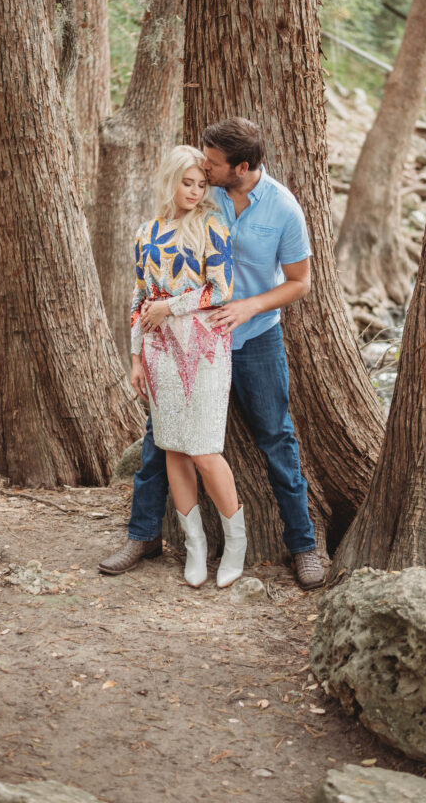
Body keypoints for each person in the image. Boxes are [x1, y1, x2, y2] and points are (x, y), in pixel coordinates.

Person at [100, 118, 325, 590]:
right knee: (159, 444)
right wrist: (140, 350)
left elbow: (300, 283)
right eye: (199, 166)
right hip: (182, 344)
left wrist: (248, 306)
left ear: (240, 168)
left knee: (276, 437)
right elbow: (152, 272)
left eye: (213, 165)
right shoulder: (205, 196)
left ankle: (303, 546)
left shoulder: (284, 210)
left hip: (254, 337)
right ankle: (143, 535)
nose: (204, 169)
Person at [125, 144, 246, 589]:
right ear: (170, 181)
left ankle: (236, 545)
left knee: (205, 451)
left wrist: (172, 307)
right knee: (174, 448)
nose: (195, 191)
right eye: (187, 182)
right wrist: (135, 356)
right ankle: (195, 547)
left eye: (201, 184)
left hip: (205, 347)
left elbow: (222, 289)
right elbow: (139, 298)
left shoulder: (212, 226)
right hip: (158, 353)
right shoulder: (147, 231)